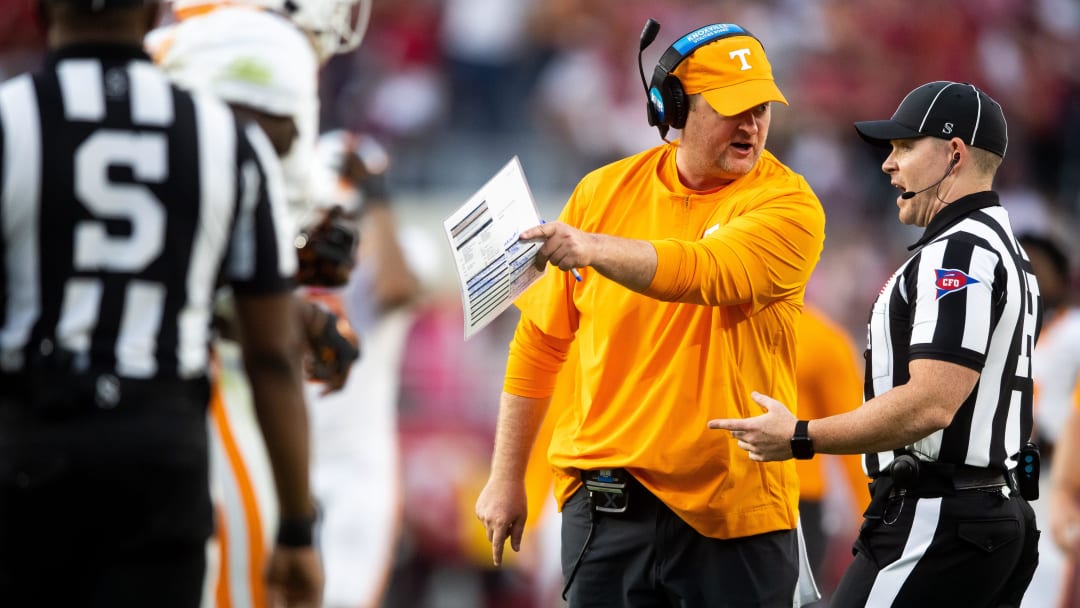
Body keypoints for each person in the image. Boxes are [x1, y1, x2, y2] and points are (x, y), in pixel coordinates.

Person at [474, 21, 826, 607]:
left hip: (735, 514)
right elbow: (540, 340)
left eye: (762, 106)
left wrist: (594, 248)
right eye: (734, 107)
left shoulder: (789, 204)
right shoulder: (601, 192)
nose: (753, 124)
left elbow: (705, 272)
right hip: (606, 508)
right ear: (674, 108)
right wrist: (507, 477)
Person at [0, 0, 321, 606]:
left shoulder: (11, 119)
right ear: (151, 14)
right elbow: (272, 353)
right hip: (162, 448)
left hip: (32, 444)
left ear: (42, 13)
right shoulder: (226, 139)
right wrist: (298, 528)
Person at [711, 80, 1041, 607]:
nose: (889, 164)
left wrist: (798, 436)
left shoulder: (959, 253)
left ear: (954, 154)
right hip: (989, 510)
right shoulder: (1003, 247)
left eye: (906, 147)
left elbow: (932, 402)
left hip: (940, 514)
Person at [793, 305, 868, 597]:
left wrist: (869, 517)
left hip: (797, 501)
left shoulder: (821, 339)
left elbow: (857, 436)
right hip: (713, 498)